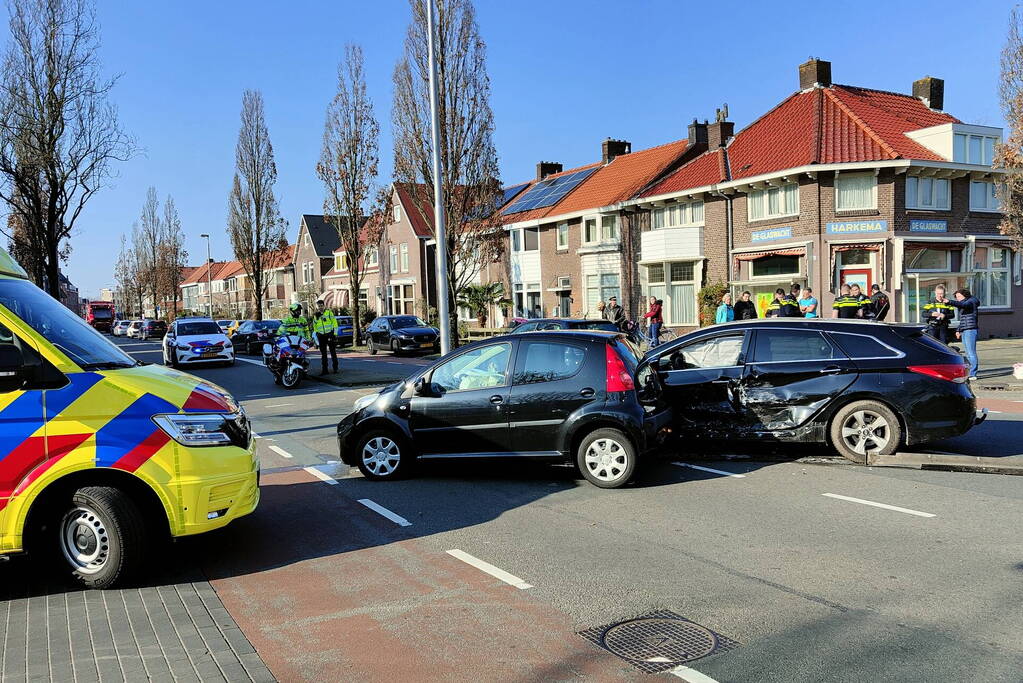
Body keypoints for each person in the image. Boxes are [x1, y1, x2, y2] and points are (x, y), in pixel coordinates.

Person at [943, 288, 980, 380]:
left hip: (971, 330)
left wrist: (949, 301)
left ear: (965, 295)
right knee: (967, 353)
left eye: (959, 296)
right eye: (956, 297)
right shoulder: (965, 304)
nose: (958, 298)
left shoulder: (972, 301)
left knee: (971, 353)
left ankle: (973, 373)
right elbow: (963, 319)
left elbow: (964, 304)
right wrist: (958, 330)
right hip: (965, 329)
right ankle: (969, 372)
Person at [312, 300, 339, 375]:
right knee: (323, 354)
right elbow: (315, 326)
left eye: (321, 306)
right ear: (317, 307)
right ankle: (324, 370)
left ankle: (335, 368)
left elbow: (335, 323)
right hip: (321, 336)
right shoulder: (315, 315)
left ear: (324, 306)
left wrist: (335, 334)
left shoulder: (329, 313)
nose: (320, 307)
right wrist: (317, 333)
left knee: (333, 352)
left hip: (329, 334)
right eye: (319, 306)